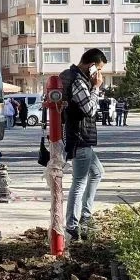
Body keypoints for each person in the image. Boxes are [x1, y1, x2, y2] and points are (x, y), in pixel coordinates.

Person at [60, 49, 106, 242]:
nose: (99, 73)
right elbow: (89, 109)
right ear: (91, 65)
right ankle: (72, 226)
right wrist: (96, 87)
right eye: (99, 68)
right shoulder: (78, 80)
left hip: (82, 136)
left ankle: (85, 216)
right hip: (79, 137)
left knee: (97, 173)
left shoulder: (78, 78)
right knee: (79, 182)